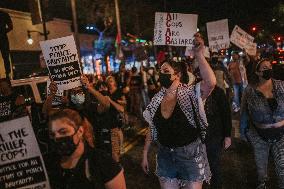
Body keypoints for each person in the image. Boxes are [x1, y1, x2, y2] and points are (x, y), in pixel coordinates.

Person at [141, 33, 216, 189]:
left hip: (190, 156)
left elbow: (210, 83)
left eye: (165, 71)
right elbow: (152, 127)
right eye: (160, 71)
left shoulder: (190, 93)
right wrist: (144, 154)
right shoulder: (156, 99)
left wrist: (199, 54)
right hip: (165, 156)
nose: (161, 74)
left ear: (177, 75)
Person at [47, 108, 126, 189]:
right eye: (52, 135)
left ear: (80, 131)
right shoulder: (50, 162)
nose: (57, 138)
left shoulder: (102, 161)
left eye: (63, 132)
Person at [240, 59, 284, 189]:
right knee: (261, 171)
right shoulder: (250, 90)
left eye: (270, 66)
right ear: (257, 72)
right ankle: (262, 184)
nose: (268, 69)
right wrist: (244, 133)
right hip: (259, 136)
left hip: (281, 135)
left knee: (282, 166)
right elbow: (244, 112)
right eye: (264, 68)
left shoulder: (281, 85)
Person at [204, 86, 232, 189]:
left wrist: (227, 135)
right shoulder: (193, 89)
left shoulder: (218, 92)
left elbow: (226, 113)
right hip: (197, 137)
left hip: (214, 135)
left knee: (213, 165)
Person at [0, 10, 13, 78]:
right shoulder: (4, 14)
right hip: (3, 37)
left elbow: (11, 27)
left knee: (5, 56)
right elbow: (11, 27)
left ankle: (8, 74)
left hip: (3, 38)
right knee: (5, 57)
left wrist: (2, 31)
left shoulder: (4, 14)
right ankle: (8, 74)